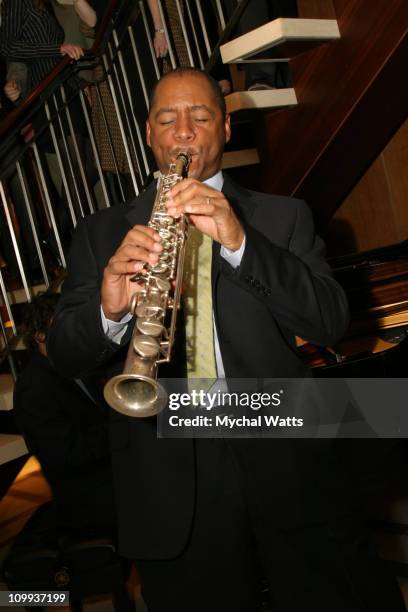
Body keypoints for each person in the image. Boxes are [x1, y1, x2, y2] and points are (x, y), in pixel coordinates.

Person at [47, 67, 405, 611]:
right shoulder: (100, 232)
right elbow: (64, 354)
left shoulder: (284, 216)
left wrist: (241, 239)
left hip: (279, 436)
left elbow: (330, 321)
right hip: (168, 459)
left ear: (227, 128)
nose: (184, 131)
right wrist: (108, 309)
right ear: (148, 133)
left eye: (201, 116)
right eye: (168, 119)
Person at [14, 292, 116, 535]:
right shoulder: (34, 385)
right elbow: (66, 454)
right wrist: (121, 429)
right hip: (90, 501)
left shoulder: (73, 361)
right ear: (39, 336)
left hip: (111, 479)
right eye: (64, 326)